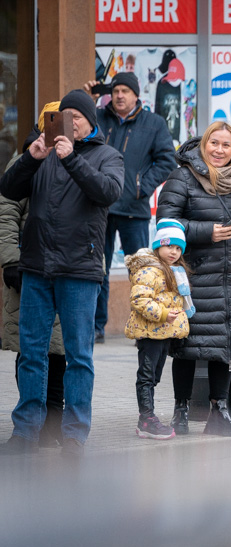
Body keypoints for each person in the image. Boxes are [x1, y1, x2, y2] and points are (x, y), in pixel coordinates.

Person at [0, 90, 123, 456]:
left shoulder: (107, 156)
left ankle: (74, 435)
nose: (67, 122)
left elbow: (108, 192)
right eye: (61, 115)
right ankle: (26, 432)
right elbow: (8, 190)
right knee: (31, 354)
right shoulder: (40, 155)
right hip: (37, 268)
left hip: (80, 271)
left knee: (78, 356)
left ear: (89, 123)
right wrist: (30, 159)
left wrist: (72, 160)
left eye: (75, 116)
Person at [156, 121, 231, 437]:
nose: (219, 150)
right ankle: (181, 412)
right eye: (214, 143)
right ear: (204, 145)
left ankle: (219, 413)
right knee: (187, 345)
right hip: (194, 275)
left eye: (226, 145)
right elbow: (165, 223)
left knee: (223, 346)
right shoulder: (183, 177)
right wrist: (206, 232)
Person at [85, 72, 176, 344]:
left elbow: (167, 161)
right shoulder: (99, 118)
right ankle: (95, 326)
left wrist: (139, 187)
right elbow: (80, 141)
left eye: (125, 90)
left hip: (133, 210)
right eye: (115, 91)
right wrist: (89, 103)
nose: (120, 95)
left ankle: (145, 324)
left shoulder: (154, 123)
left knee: (142, 272)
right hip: (99, 206)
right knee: (96, 268)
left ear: (137, 95)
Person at [0, 103, 67, 448]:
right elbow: (5, 212)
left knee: (61, 354)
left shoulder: (80, 160)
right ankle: (29, 422)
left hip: (68, 271)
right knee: (30, 352)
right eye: (52, 121)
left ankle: (53, 422)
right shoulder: (25, 159)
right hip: (28, 270)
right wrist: (10, 261)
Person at [124, 219, 193, 440]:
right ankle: (146, 419)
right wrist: (163, 313)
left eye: (178, 248)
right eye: (169, 246)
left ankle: (146, 417)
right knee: (146, 375)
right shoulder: (149, 271)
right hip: (149, 332)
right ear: (158, 246)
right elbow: (140, 300)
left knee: (153, 376)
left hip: (164, 332)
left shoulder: (174, 270)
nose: (173, 252)